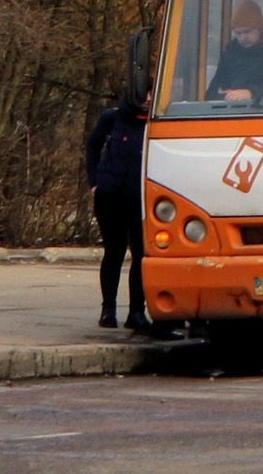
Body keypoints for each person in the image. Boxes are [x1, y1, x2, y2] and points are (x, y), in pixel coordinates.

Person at [85, 88, 181, 339]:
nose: (148, 100)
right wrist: (94, 181)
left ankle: (136, 313)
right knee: (114, 252)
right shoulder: (113, 117)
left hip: (141, 199)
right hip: (110, 196)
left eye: (153, 95)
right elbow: (93, 145)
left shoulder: (159, 121)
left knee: (141, 254)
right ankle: (108, 310)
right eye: (144, 95)